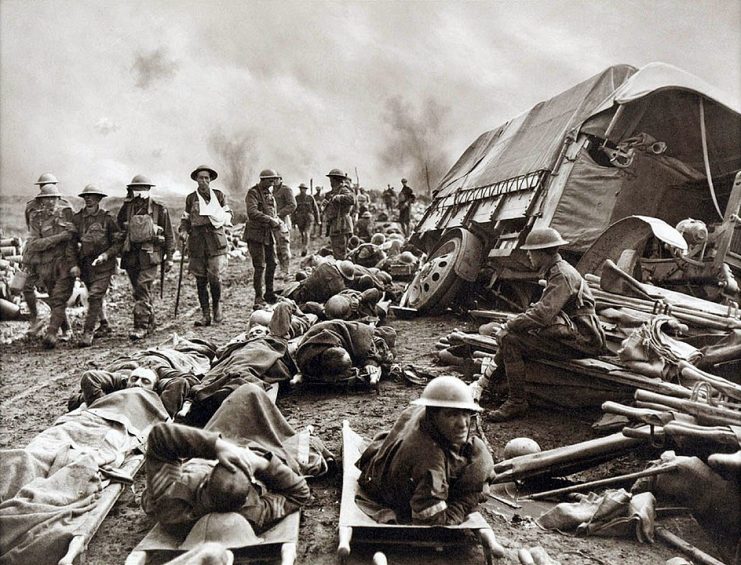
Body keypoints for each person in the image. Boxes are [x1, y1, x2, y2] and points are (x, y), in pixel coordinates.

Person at [141, 383, 313, 532]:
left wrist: (218, 447)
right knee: (251, 394)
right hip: (254, 450)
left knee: (247, 395)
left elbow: (160, 435)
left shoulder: (172, 504)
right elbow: (300, 493)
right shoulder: (253, 513)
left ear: (205, 482)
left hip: (216, 447)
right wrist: (260, 463)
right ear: (247, 496)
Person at [487, 227, 606, 421]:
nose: (528, 255)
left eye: (531, 251)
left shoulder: (561, 275)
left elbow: (542, 315)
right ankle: (489, 384)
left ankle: (517, 402)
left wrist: (510, 325)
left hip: (583, 339)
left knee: (510, 340)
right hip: (574, 334)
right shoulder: (557, 271)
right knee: (514, 336)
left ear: (543, 253)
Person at [357, 376, 493, 525]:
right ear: (434, 415)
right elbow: (434, 520)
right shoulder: (429, 460)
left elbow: (473, 446)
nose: (462, 424)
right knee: (478, 472)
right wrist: (469, 499)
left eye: (466, 413)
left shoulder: (425, 412)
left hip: (392, 458)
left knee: (478, 451)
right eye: (452, 414)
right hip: (387, 487)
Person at [117, 175, 175, 341]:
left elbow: (169, 235)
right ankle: (150, 322)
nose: (139, 192)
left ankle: (140, 326)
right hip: (131, 256)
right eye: (136, 188)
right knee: (140, 291)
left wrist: (169, 257)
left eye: (143, 188)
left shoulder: (159, 208)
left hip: (150, 255)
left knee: (142, 286)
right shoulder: (127, 207)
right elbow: (120, 223)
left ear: (149, 189)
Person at [22, 184, 77, 348]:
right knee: (54, 298)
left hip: (63, 262)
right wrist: (60, 237)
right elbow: (35, 244)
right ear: (41, 200)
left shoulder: (67, 214)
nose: (50, 201)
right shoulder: (36, 218)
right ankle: (66, 328)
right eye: (47, 198)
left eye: (53, 198)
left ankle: (53, 333)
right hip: (46, 264)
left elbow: (73, 237)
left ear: (58, 199)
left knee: (58, 297)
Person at [179, 165, 232, 327]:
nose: (204, 181)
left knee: (214, 277)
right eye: (201, 178)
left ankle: (217, 306)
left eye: (207, 178)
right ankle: (205, 314)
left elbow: (229, 214)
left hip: (215, 241)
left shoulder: (218, 195)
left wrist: (219, 218)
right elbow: (186, 218)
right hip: (197, 242)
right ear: (196, 179)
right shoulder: (191, 198)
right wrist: (182, 231)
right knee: (200, 280)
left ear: (210, 180)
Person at [71, 184, 122, 347]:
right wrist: (74, 264)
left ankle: (88, 332)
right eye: (86, 196)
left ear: (99, 199)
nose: (88, 199)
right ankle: (104, 323)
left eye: (92, 196)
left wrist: (105, 255)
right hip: (86, 265)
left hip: (104, 265)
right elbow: (71, 245)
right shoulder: (77, 219)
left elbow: (117, 242)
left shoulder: (107, 219)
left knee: (94, 296)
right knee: (94, 295)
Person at [295, 319, 396, 386]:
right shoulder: (306, 358)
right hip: (320, 330)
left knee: (389, 335)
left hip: (350, 331)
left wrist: (370, 362)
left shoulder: (360, 344)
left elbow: (377, 348)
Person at [69, 367, 197, 418]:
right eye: (134, 379)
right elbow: (89, 377)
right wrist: (102, 408)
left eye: (145, 382)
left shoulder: (154, 405)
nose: (137, 383)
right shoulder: (117, 391)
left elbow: (181, 382)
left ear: (154, 389)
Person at [243, 169, 283, 309]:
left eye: (274, 180)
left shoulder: (269, 193)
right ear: (263, 180)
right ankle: (258, 297)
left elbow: (272, 211)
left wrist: (276, 220)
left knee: (272, 263)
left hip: (267, 233)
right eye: (270, 180)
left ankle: (269, 293)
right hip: (255, 234)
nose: (272, 183)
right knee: (259, 266)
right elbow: (252, 212)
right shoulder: (253, 193)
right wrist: (270, 220)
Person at [323, 168, 355, 259]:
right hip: (335, 225)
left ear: (336, 179)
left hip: (342, 225)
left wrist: (339, 197)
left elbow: (352, 199)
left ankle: (341, 271)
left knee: (340, 253)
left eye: (331, 179)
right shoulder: (332, 192)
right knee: (337, 252)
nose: (330, 182)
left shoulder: (344, 189)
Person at [273, 174, 297, 280]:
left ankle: (286, 271)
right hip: (273, 222)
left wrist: (280, 213)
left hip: (283, 221)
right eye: (272, 179)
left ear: (281, 179)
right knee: (277, 247)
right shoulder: (271, 190)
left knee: (284, 245)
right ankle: (282, 270)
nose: (274, 181)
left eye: (276, 179)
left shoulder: (286, 190)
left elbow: (292, 205)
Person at [293, 183, 320, 256]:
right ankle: (304, 247)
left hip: (309, 217)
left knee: (306, 233)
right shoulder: (296, 198)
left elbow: (315, 209)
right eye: (301, 189)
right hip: (299, 218)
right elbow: (294, 210)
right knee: (302, 234)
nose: (302, 190)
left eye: (304, 189)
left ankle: (305, 248)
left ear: (306, 190)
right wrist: (293, 221)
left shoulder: (310, 198)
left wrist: (318, 220)